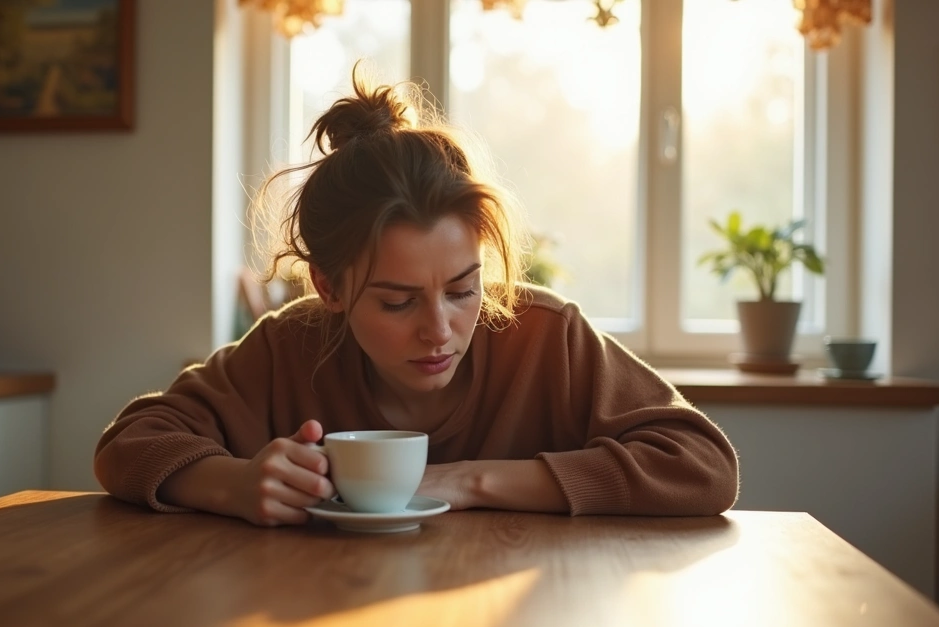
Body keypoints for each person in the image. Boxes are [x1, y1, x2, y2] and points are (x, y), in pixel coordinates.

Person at [94, 71, 739, 527]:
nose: (441, 331)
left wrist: (466, 481)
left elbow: (704, 466)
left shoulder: (546, 336)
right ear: (329, 287)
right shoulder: (293, 344)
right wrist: (235, 484)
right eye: (398, 303)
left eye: (463, 290)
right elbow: (128, 443)